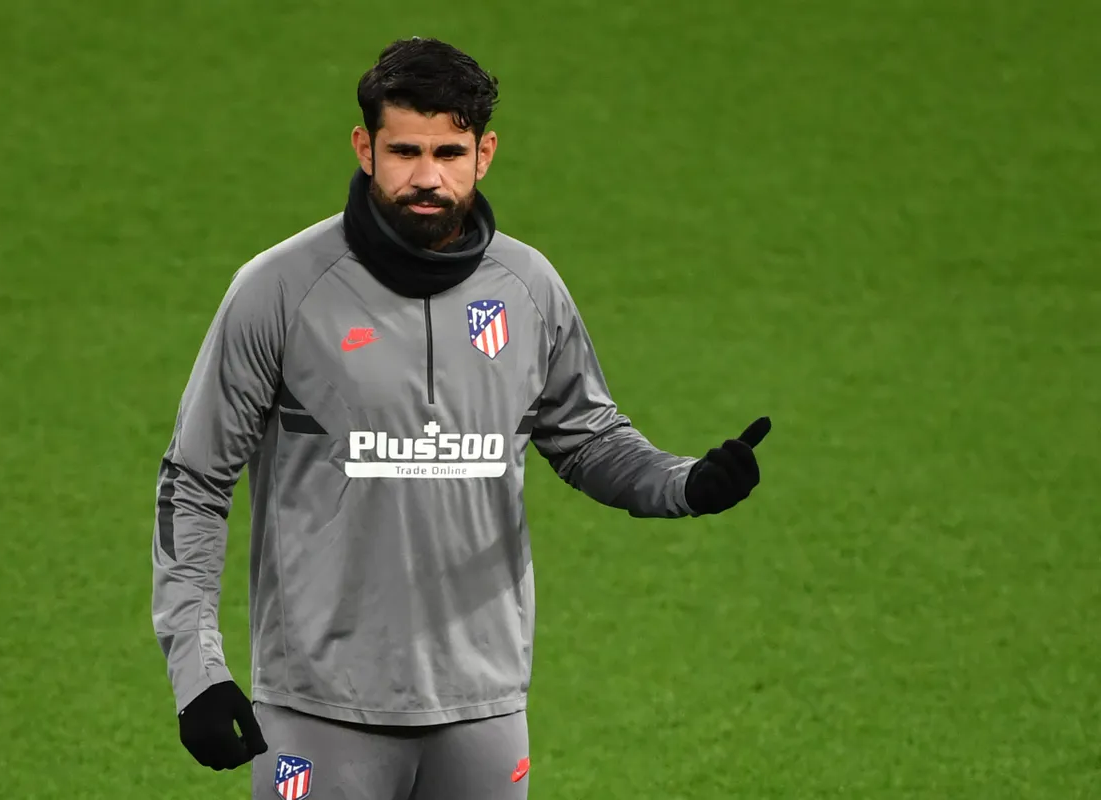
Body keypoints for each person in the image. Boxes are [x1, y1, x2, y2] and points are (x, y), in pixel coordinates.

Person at [151, 36, 771, 800]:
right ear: (364, 149)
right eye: (404, 151)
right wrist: (198, 673)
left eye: (449, 152)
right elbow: (194, 483)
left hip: (484, 709)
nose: (427, 176)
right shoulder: (278, 290)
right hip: (320, 710)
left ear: (485, 154)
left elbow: (589, 438)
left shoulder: (529, 288)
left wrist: (687, 483)